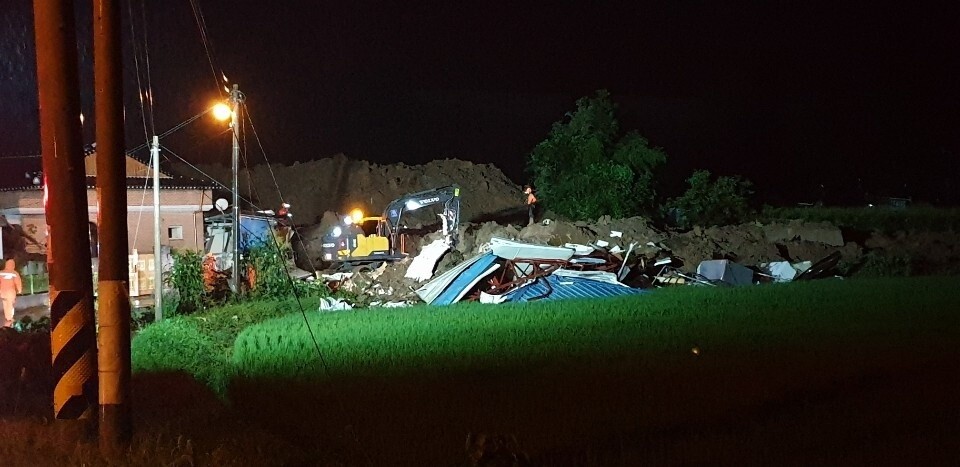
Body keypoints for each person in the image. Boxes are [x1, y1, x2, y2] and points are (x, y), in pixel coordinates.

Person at [0, 259, 23, 327]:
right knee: (10, 305)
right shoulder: (14, 273)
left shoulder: (1, 272)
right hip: (11, 293)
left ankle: (7, 317)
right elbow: (18, 283)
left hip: (3, 292)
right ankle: (9, 319)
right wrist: (19, 290)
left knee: (5, 305)